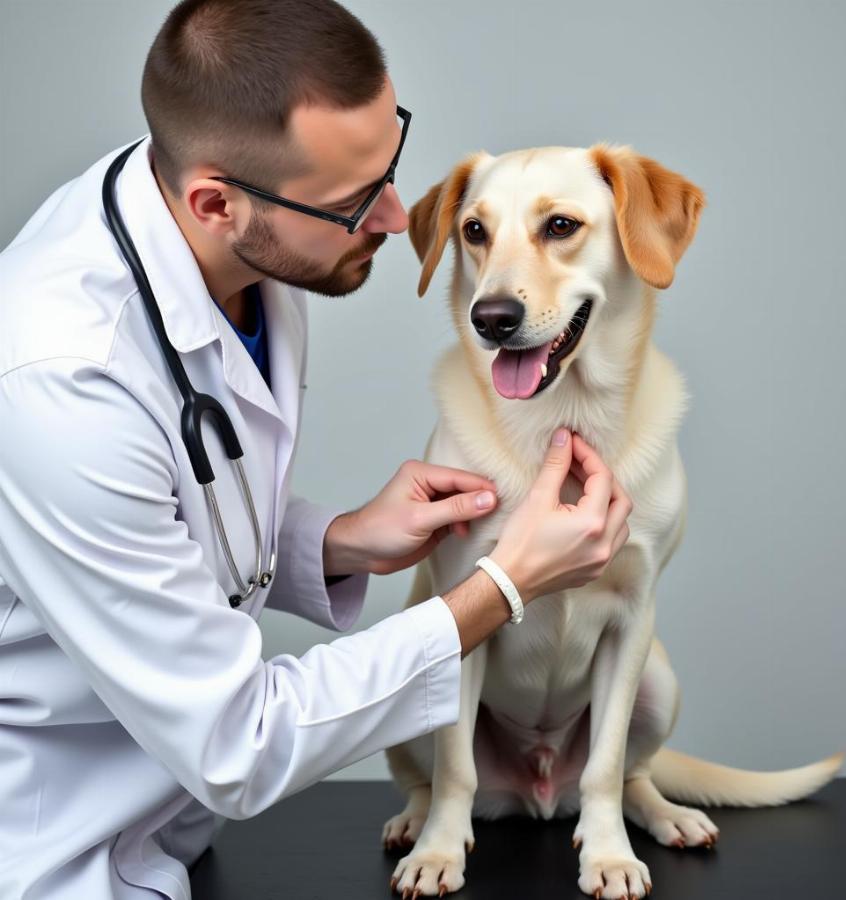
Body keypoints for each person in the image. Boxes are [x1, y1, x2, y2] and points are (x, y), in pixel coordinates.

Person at [0, 0, 633, 896]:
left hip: (174, 815)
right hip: (57, 851)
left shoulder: (232, 233)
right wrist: (504, 586)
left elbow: (173, 503)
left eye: (387, 168)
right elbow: (237, 744)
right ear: (216, 203)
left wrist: (331, 542)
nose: (393, 217)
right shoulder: (59, 383)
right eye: (350, 205)